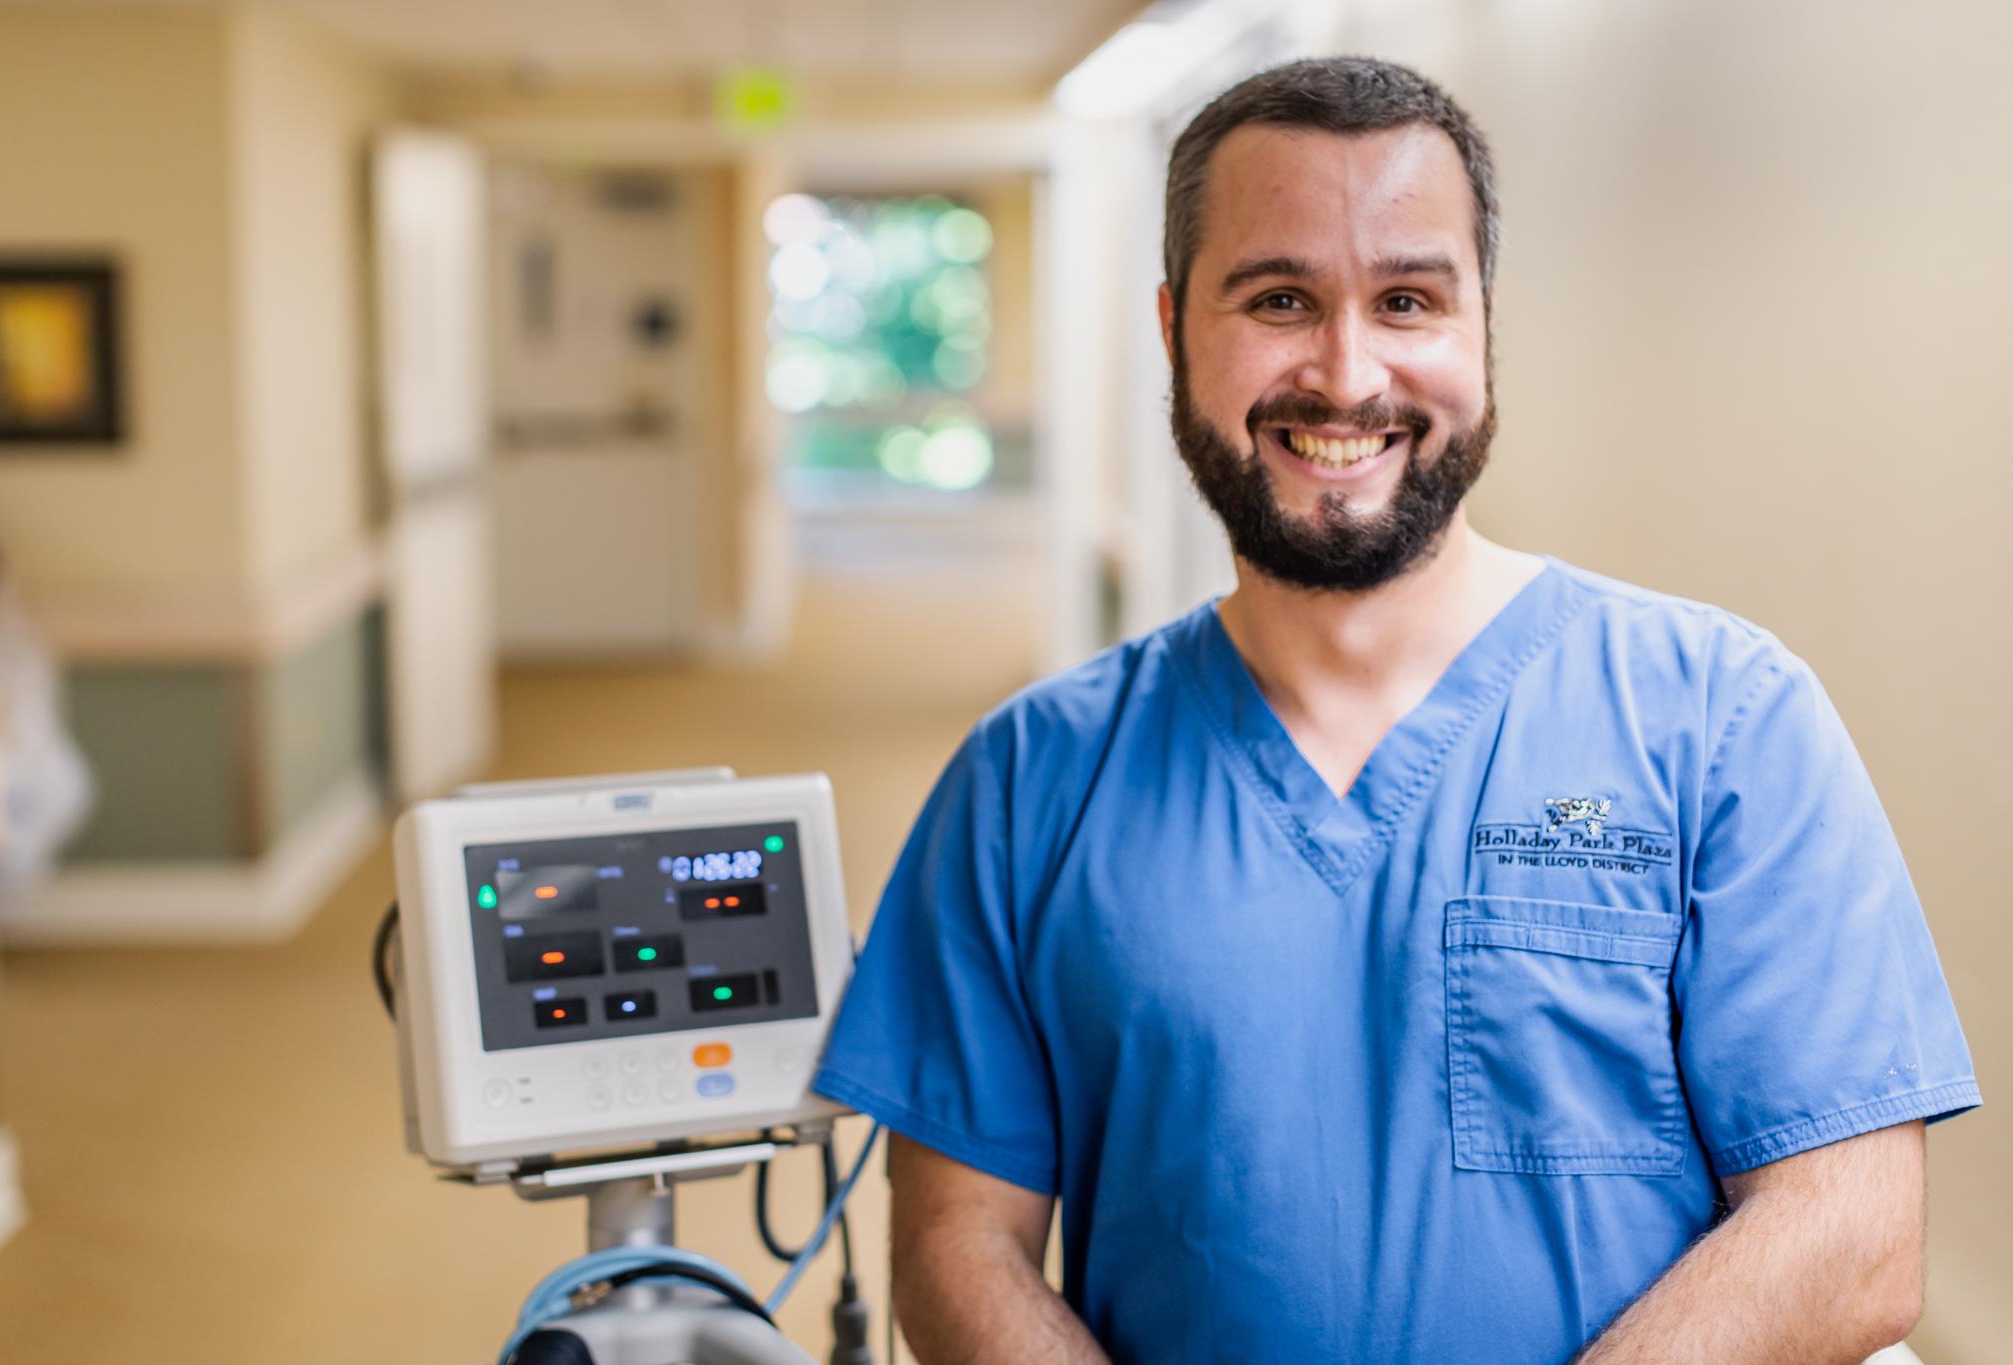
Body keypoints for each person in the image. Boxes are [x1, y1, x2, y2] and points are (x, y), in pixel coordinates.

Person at [811, 56, 1978, 1363]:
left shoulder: (1725, 721)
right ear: (1173, 326)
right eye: (1279, 298)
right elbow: (956, 1243)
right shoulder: (1030, 779)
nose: (1347, 372)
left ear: (1482, 325)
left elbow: (1853, 1227)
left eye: (1408, 298)